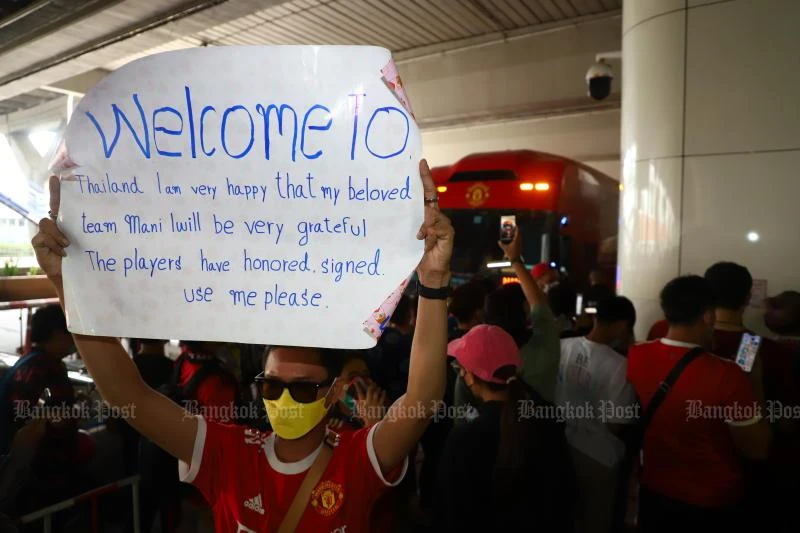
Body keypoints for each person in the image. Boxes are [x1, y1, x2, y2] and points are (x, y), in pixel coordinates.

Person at [32, 159, 453, 532]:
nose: (284, 399)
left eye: (303, 388)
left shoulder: (358, 460)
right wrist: (70, 284)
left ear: (335, 392)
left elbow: (423, 398)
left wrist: (433, 282)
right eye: (272, 385)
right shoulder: (227, 454)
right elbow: (127, 396)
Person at [627, 276, 771, 532]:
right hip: (711, 497)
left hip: (654, 488)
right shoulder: (739, 359)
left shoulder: (636, 354)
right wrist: (755, 384)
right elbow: (757, 448)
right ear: (708, 316)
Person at [434, 324, 575, 532]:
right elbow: (563, 499)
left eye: (460, 369)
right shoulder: (547, 419)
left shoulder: (465, 439)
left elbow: (450, 514)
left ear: (470, 376)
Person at [556, 296, 638, 533]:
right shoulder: (620, 365)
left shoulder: (563, 346)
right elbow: (616, 423)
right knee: (595, 520)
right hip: (598, 457)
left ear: (595, 317)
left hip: (561, 444)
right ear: (623, 326)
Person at [499, 229, 561, 404]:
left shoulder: (482, 355)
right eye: (546, 282)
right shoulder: (545, 340)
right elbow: (540, 308)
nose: (550, 287)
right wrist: (515, 259)